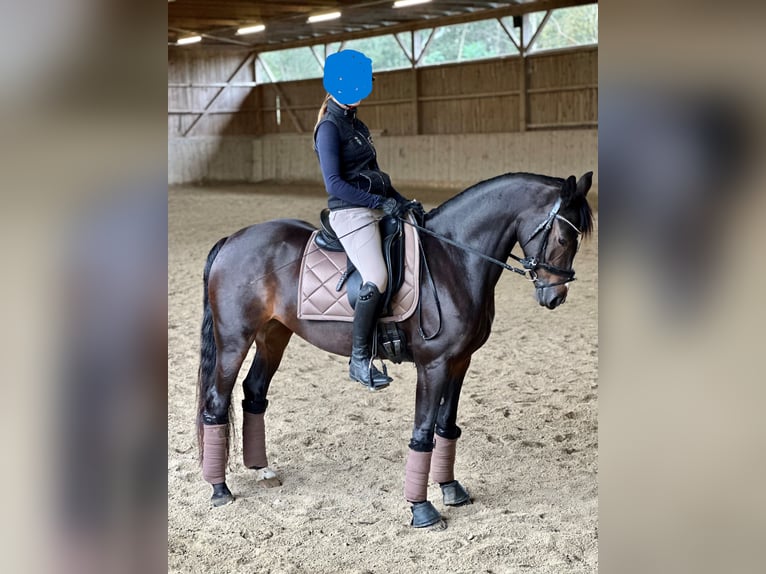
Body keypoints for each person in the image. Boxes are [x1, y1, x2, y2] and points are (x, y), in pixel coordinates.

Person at [313, 50, 411, 390]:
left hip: (373, 205)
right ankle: (359, 360)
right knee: (376, 276)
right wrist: (378, 202)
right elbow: (334, 184)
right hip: (349, 211)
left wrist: (400, 200)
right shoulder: (329, 127)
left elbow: (373, 173)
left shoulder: (357, 124)